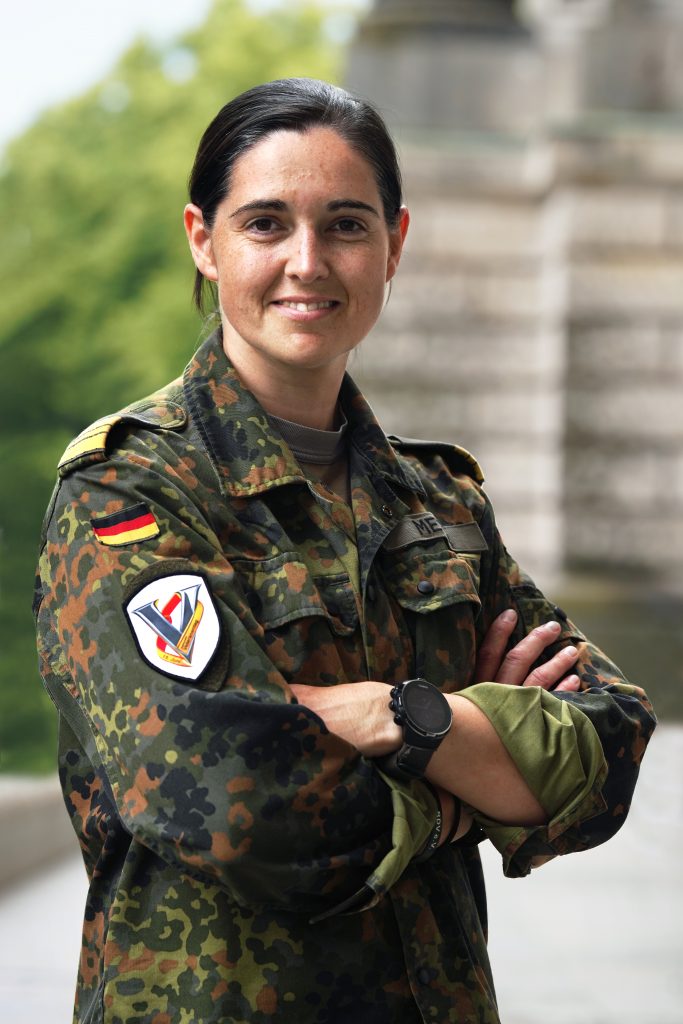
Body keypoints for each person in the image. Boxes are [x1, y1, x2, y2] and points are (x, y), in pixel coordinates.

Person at [34, 78, 655, 1024]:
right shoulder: (130, 491)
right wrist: (469, 779)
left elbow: (609, 748)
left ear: (394, 244)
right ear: (203, 240)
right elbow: (235, 802)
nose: (307, 261)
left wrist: (401, 719)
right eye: (265, 224)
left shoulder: (439, 500)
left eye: (346, 226)